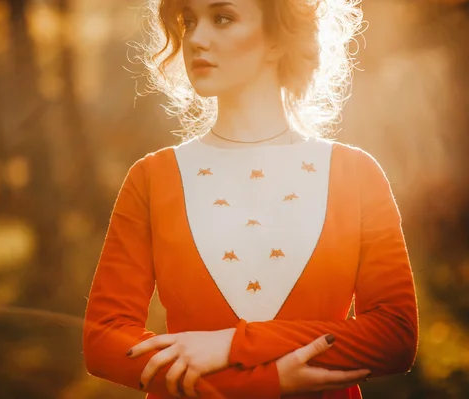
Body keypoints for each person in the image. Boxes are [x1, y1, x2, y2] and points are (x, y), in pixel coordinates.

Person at [83, 0, 419, 398]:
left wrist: (232, 343)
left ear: (279, 38)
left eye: (222, 18)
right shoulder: (152, 178)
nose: (196, 39)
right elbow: (104, 342)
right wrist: (263, 382)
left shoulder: (356, 174)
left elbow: (394, 336)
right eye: (188, 21)